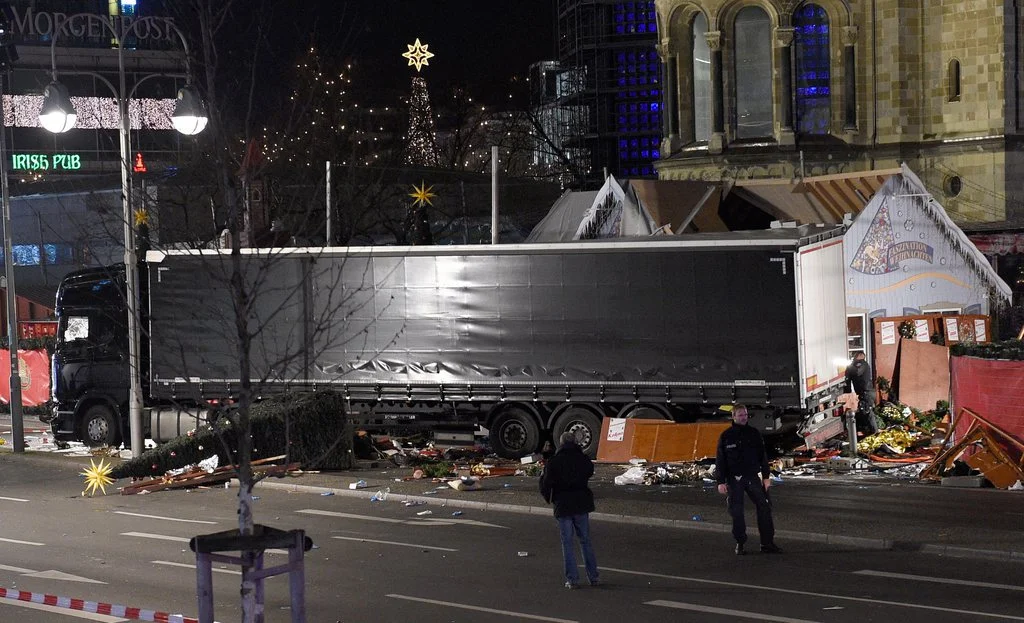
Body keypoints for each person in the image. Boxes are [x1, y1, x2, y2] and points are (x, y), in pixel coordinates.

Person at [715, 405, 781, 555]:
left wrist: (766, 477)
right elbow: (721, 460)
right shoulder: (726, 436)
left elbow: (762, 457)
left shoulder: (753, 434)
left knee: (764, 507)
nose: (744, 417)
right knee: (737, 512)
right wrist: (720, 481)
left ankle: (767, 543)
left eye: (745, 414)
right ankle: (740, 543)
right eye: (740, 415)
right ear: (734, 417)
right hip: (734, 479)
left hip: (752, 477)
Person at [539, 431, 599, 589]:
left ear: (561, 443)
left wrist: (548, 498)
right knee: (585, 541)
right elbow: (590, 471)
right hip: (581, 503)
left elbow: (546, 483)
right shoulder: (583, 459)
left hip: (563, 504)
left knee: (567, 543)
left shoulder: (554, 461)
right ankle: (593, 576)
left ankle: (572, 579)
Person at [845, 352, 879, 434]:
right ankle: (868, 430)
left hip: (867, 392)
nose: (854, 357)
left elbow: (857, 372)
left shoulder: (862, 364)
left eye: (856, 356)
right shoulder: (858, 364)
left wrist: (850, 366)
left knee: (867, 411)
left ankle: (874, 431)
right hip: (865, 392)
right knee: (863, 411)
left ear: (861, 356)